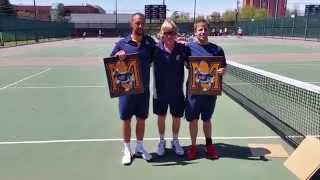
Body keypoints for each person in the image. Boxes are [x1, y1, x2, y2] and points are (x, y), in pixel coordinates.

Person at [110, 13, 156, 165]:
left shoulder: (150, 43)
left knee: (141, 119)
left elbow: (162, 55)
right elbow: (111, 63)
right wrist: (117, 56)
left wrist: (179, 44)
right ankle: (127, 149)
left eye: (142, 23)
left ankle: (140, 147)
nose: (140, 26)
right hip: (126, 91)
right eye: (137, 23)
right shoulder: (122, 43)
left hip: (143, 90)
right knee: (126, 119)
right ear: (132, 24)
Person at [185, 19, 227, 160]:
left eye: (205, 29)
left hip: (210, 91)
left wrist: (222, 71)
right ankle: (193, 146)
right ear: (195, 32)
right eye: (200, 30)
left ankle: (209, 145)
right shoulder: (188, 48)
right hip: (193, 91)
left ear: (208, 30)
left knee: (207, 119)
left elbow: (224, 67)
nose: (202, 32)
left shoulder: (217, 49)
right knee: (193, 120)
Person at [153, 19, 190, 157]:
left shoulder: (183, 48)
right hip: (160, 91)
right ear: (162, 33)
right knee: (161, 116)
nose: (169, 35)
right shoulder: (155, 49)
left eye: (172, 33)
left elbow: (193, 64)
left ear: (176, 33)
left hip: (177, 92)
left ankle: (175, 140)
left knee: (176, 117)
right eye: (167, 32)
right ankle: (161, 141)